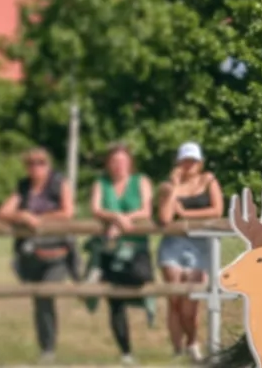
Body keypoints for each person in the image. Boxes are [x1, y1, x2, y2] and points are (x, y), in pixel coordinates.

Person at [0, 148, 76, 364]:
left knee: (45, 294)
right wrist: (21, 215)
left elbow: (68, 212)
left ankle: (49, 347)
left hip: (57, 252)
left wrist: (40, 218)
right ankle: (46, 348)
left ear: (48, 165)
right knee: (39, 301)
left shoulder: (60, 182)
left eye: (41, 162)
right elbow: (2, 212)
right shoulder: (23, 187)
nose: (36, 167)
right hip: (31, 254)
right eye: (31, 163)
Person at [157, 142, 225, 362]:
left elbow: (217, 210)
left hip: (200, 246)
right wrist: (175, 187)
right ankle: (177, 350)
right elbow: (166, 218)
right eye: (185, 161)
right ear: (178, 163)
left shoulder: (208, 180)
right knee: (174, 299)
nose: (189, 165)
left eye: (193, 161)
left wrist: (186, 214)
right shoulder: (169, 187)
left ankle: (193, 342)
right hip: (173, 245)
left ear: (200, 162)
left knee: (190, 302)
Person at [90, 144, 157, 365]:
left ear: (129, 162)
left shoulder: (141, 181)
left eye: (122, 161)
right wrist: (116, 217)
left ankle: (145, 303)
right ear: (108, 164)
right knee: (115, 302)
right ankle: (126, 352)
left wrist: (124, 220)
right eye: (114, 161)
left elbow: (147, 210)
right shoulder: (102, 183)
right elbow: (96, 209)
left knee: (141, 280)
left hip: (136, 248)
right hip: (110, 248)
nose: (118, 165)